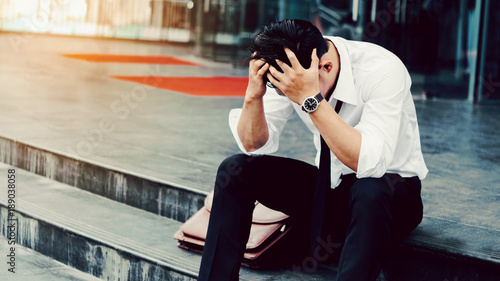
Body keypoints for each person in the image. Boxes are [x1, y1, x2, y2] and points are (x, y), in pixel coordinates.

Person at [197, 19, 428, 281]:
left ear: (325, 66)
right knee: (235, 170)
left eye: (289, 90)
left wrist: (311, 100)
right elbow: (253, 143)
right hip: (331, 190)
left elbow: (369, 162)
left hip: (393, 198)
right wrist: (253, 95)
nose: (284, 94)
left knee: (370, 189)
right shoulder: (292, 65)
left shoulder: (383, 69)